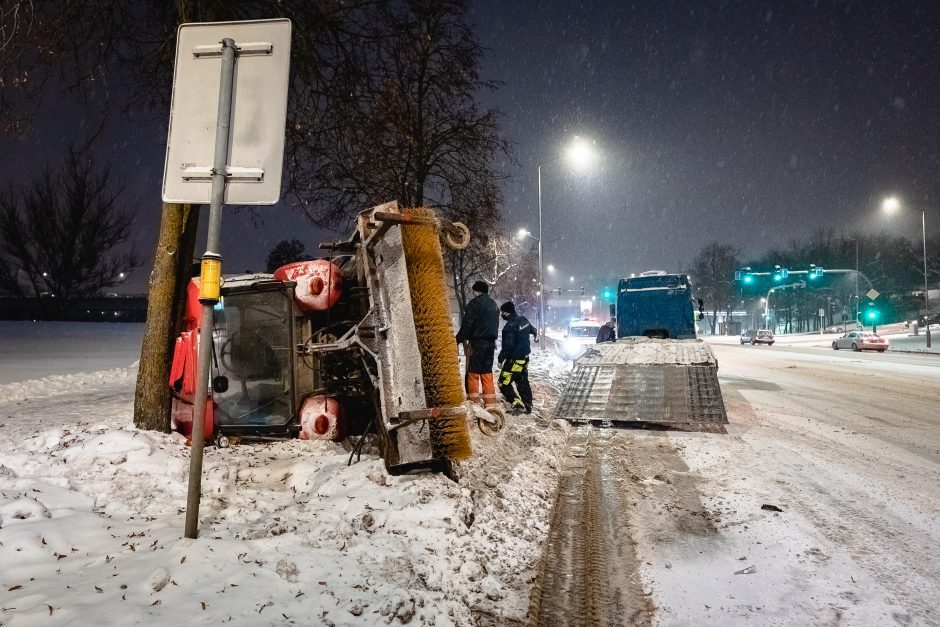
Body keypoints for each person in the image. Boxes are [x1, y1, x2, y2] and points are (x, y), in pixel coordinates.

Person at [455, 280, 500, 407]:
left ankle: (474, 403)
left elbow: (467, 325)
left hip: (477, 343)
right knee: (487, 373)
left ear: (477, 291)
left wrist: (458, 339)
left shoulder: (474, 304)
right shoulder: (493, 305)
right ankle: (490, 403)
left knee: (473, 373)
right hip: (491, 344)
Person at [497, 301, 538, 415]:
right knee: (522, 381)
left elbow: (508, 347)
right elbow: (533, 330)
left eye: (503, 312)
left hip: (514, 360)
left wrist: (500, 359)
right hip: (524, 359)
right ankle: (528, 404)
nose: (502, 315)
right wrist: (535, 336)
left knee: (503, 383)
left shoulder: (509, 327)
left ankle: (517, 404)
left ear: (507, 312)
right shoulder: (523, 320)